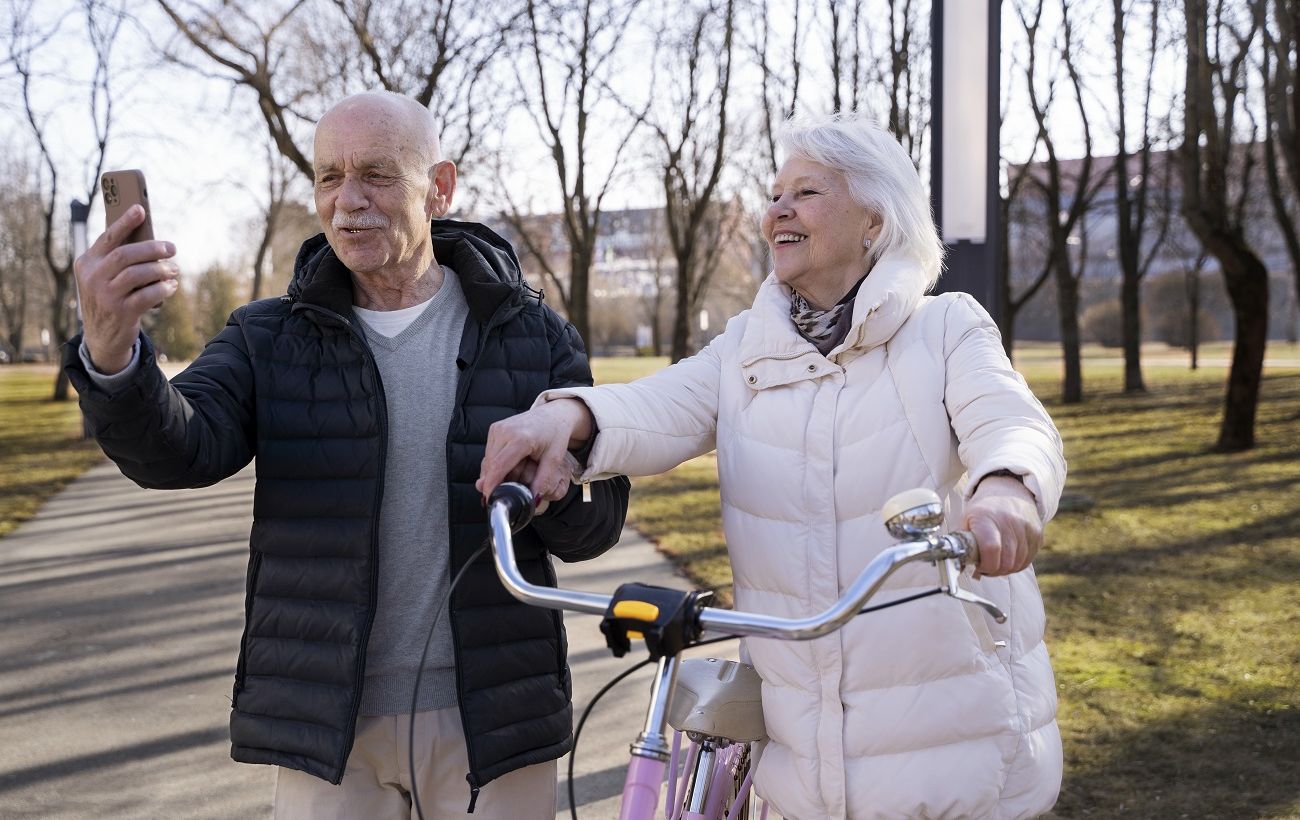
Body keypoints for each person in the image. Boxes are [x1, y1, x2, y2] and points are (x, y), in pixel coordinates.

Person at [478, 113, 1066, 819]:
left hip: (951, 744)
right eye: (776, 193)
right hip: (802, 745)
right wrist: (563, 419)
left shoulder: (944, 330)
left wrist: (1006, 491)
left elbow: (1010, 421)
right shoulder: (748, 349)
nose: (778, 210)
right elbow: (659, 405)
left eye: (807, 193)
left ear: (875, 222)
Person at [64, 90, 630, 818]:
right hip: (327, 726)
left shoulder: (531, 333)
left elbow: (596, 526)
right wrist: (113, 355)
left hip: (496, 719)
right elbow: (177, 449)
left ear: (441, 188)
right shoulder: (269, 335)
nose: (347, 201)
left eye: (376, 174)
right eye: (329, 177)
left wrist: (564, 481)